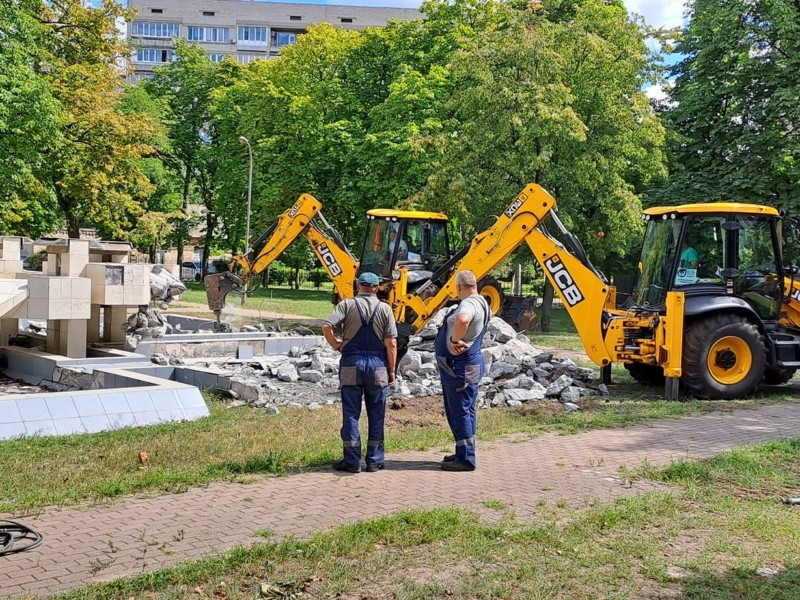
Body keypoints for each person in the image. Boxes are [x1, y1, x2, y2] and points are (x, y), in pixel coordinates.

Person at [322, 272, 398, 473]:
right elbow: (391, 343)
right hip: (377, 365)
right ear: (376, 288)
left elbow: (327, 326)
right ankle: (374, 460)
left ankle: (352, 461)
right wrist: (391, 370)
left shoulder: (346, 305)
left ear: (357, 285)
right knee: (377, 413)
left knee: (351, 413)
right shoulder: (385, 309)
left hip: (351, 363)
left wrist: (337, 345)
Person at [435, 270, 490, 472]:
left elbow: (463, 320)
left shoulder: (468, 304)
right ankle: (463, 450)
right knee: (467, 410)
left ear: (459, 287)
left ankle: (466, 459)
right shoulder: (482, 301)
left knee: (460, 412)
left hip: (460, 368)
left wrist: (454, 340)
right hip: (470, 365)